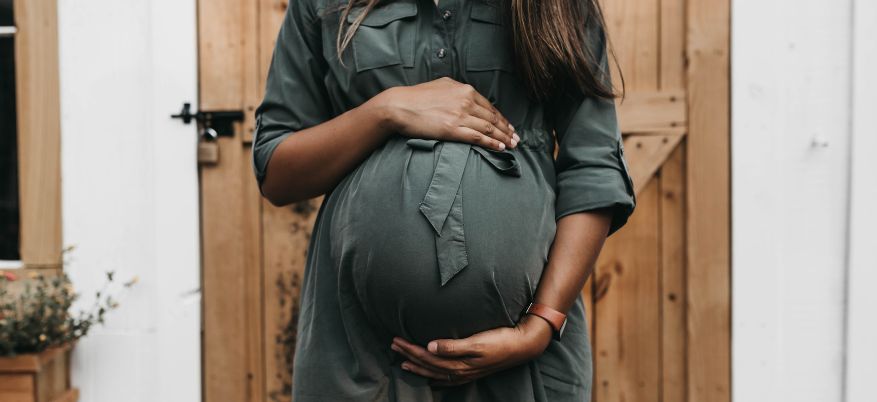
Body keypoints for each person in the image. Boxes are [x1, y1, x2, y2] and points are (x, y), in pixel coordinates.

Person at [251, 0, 636, 400]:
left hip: (525, 362)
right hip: (361, 358)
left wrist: (541, 324)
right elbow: (277, 173)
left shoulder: (558, 5)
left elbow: (593, 167)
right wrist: (385, 111)